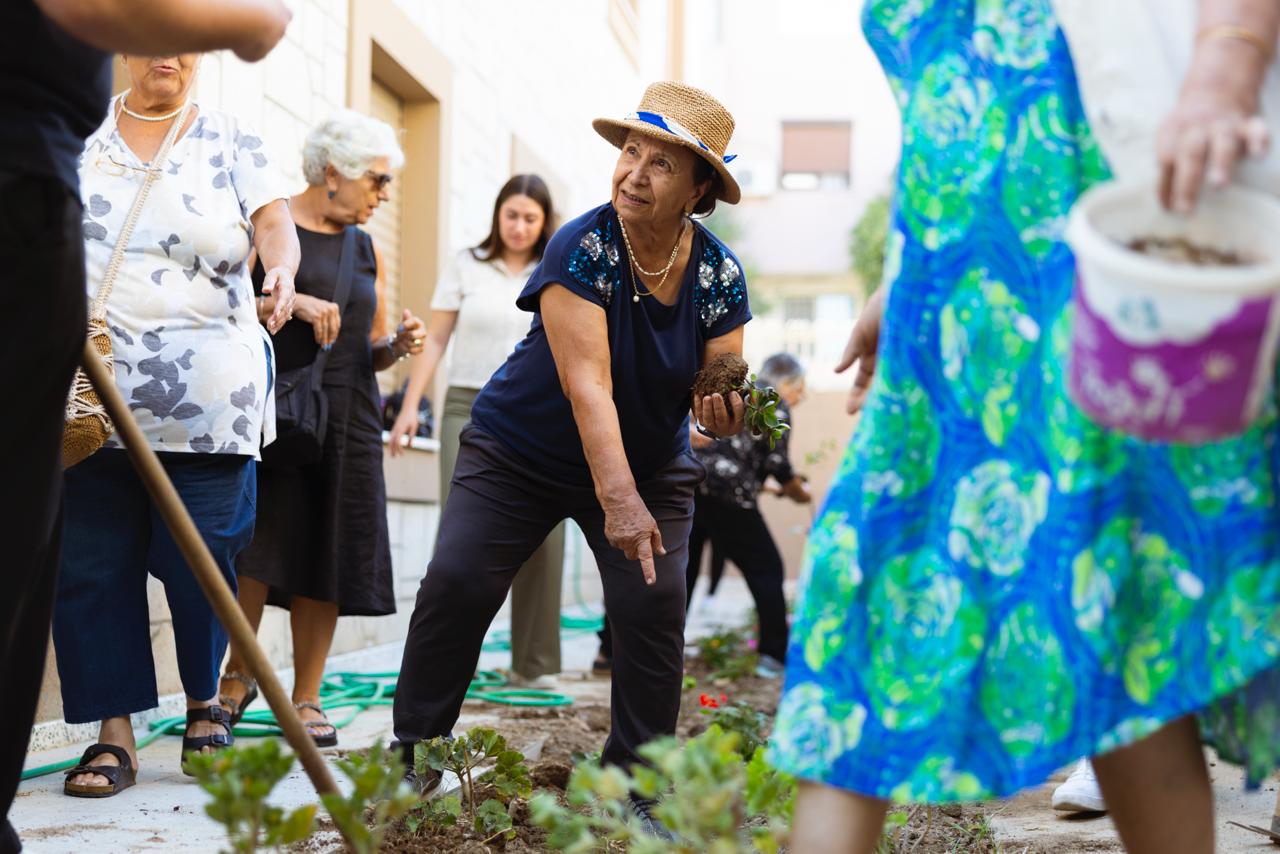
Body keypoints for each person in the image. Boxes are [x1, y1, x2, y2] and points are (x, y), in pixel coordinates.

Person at [770, 2, 1280, 853]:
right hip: (954, 307)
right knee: (858, 618)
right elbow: (952, 107)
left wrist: (1225, 69)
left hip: (1097, 263)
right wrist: (905, 285)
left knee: (1116, 605)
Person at [391, 81, 749, 834]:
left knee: (653, 608)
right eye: (630, 152)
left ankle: (639, 782)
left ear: (700, 188)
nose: (633, 173)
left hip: (648, 463)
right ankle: (416, 756)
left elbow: (722, 381)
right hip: (520, 451)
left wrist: (723, 409)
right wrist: (617, 501)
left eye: (661, 164)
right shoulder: (580, 246)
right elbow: (587, 387)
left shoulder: (718, 276)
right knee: (457, 579)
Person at [2, 1, 289, 843]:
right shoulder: (79, 130)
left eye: (183, 47)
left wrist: (279, 267)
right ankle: (112, 732)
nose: (168, 58)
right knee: (91, 567)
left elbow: (274, 220)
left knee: (201, 556)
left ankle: (205, 700)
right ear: (124, 42)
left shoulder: (234, 134)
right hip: (92, 396)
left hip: (209, 397)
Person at [219, 111, 424, 747]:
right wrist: (293, 302)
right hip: (275, 412)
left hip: (350, 415)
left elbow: (367, 347)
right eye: (379, 180)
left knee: (330, 548)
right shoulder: (270, 229)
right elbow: (225, 311)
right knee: (257, 547)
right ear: (334, 173)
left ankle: (307, 697)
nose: (384, 195)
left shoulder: (368, 248)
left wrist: (397, 345)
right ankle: (235, 678)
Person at [388, 174, 567, 688]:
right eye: (511, 215)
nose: (518, 226)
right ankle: (445, 663)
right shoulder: (466, 264)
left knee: (543, 537)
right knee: (462, 540)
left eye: (530, 218)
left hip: (541, 414)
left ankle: (533, 666)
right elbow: (437, 338)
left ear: (544, 221)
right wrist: (410, 406)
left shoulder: (556, 266)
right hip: (468, 406)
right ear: (497, 215)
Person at [688, 352, 811, 676]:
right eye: (801, 389)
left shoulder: (740, 394)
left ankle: (643, 653)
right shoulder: (773, 403)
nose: (801, 397)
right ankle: (772, 656)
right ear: (787, 383)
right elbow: (779, 466)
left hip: (691, 483)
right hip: (730, 493)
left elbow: (733, 453)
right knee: (767, 569)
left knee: (681, 572)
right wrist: (799, 493)